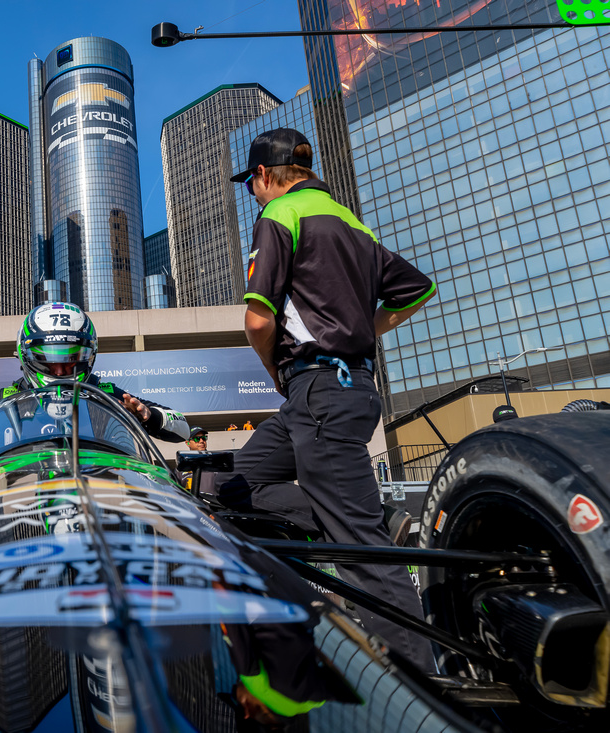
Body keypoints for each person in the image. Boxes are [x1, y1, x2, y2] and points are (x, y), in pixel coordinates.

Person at [218, 128, 437, 671]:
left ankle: (422, 684)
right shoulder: (354, 225)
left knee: (360, 550)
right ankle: (377, 516)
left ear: (267, 176)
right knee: (234, 488)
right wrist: (363, 330)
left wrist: (276, 370)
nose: (252, 191)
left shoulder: (280, 216)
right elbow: (419, 288)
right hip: (340, 391)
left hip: (317, 389)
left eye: (251, 182)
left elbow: (258, 317)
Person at [0, 302, 189, 456]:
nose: (62, 372)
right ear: (26, 355)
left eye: (71, 360)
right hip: (19, 492)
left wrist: (147, 416)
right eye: (51, 362)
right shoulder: (6, 399)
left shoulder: (108, 394)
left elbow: (183, 427)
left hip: (104, 488)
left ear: (89, 355)